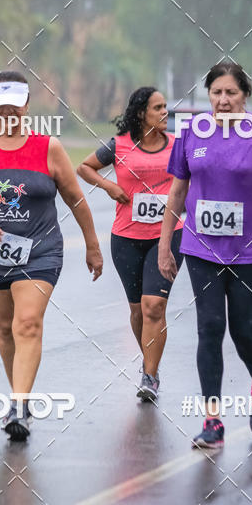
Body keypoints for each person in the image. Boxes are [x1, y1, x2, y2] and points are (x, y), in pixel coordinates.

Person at [0, 70, 103, 441]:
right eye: (0, 107)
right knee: (6, 328)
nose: (8, 113)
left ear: (27, 107)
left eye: (15, 107)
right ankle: (22, 396)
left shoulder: (47, 148)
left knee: (28, 323)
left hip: (40, 252)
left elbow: (75, 198)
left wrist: (93, 244)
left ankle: (17, 407)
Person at [158, 62, 252, 448]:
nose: (223, 100)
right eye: (216, 93)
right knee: (210, 327)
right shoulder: (191, 132)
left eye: (230, 93)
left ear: (245, 95)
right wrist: (165, 246)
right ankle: (212, 420)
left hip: (249, 250)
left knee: (245, 330)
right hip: (201, 248)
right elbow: (177, 193)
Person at [77, 87, 184, 402]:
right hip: (126, 237)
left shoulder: (178, 146)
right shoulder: (119, 145)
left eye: (166, 107)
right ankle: (150, 363)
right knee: (138, 311)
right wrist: (109, 185)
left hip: (167, 236)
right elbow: (84, 167)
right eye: (158, 107)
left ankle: (149, 376)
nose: (165, 112)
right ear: (141, 114)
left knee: (154, 306)